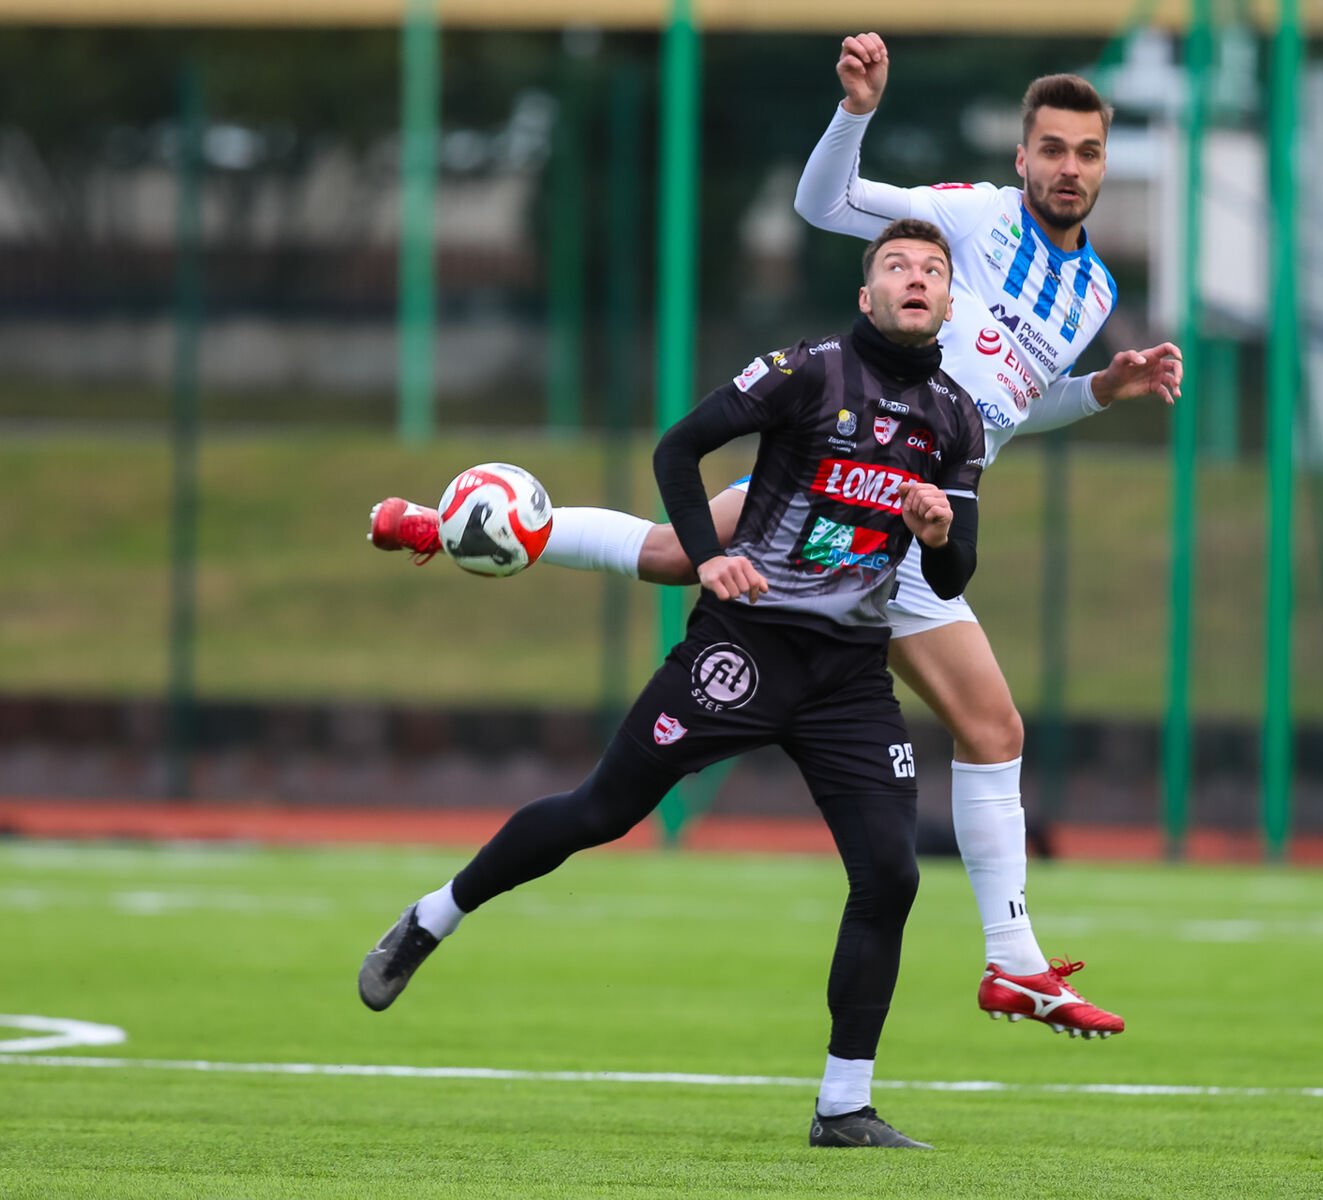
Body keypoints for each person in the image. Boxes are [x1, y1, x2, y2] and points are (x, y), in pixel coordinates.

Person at [370, 41, 1181, 1039]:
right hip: (846, 475)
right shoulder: (972, 217)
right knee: (690, 572)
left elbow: (1013, 405)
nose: (1068, 166)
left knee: (979, 726)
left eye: (1087, 152)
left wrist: (1101, 389)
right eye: (1050, 148)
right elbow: (823, 207)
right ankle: (451, 524)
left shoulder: (1092, 292)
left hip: (905, 516)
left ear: (1103, 165)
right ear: (1020, 159)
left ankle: (1005, 968)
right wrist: (856, 111)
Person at [359, 219, 986, 1150]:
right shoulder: (804, 373)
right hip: (748, 643)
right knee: (599, 812)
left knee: (891, 873)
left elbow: (950, 580)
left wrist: (938, 535)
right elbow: (676, 451)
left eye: (933, 270)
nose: (916, 279)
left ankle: (842, 1106)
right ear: (866, 295)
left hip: (849, 676)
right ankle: (430, 917)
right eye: (896, 265)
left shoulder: (954, 418)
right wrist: (711, 558)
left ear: (946, 300)